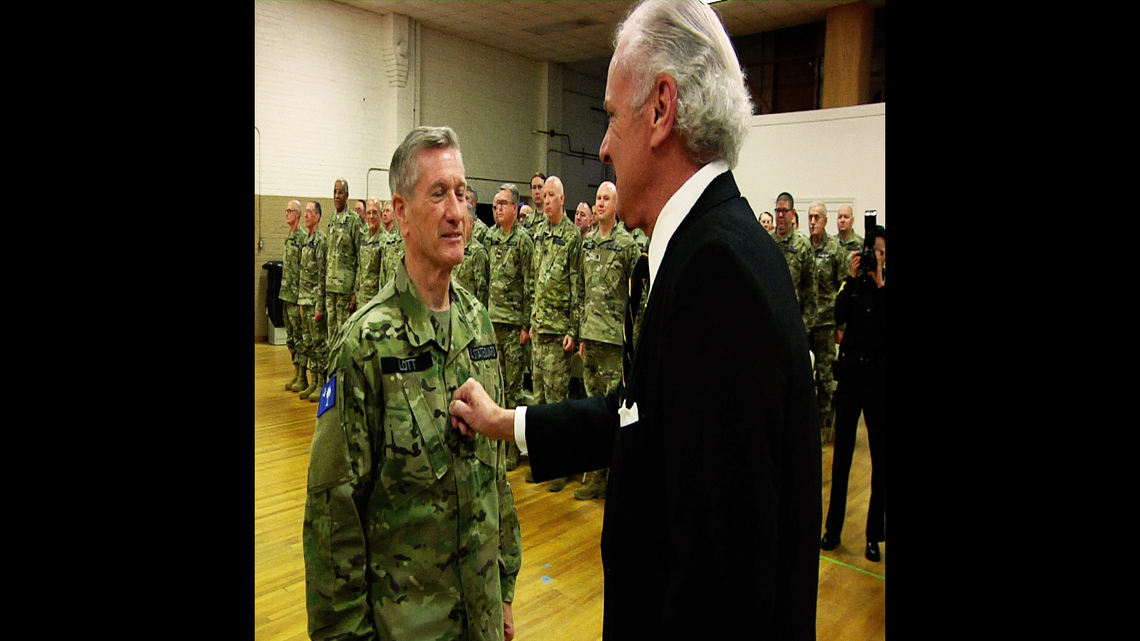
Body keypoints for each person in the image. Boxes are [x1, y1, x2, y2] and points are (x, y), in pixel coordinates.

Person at [448, 2, 820, 638]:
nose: (601, 146)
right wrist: (509, 423)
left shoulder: (716, 274)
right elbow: (640, 414)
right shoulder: (713, 248)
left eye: (612, 117)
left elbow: (720, 582)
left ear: (660, 110)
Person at [303, 126, 522, 641]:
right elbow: (333, 519)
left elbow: (496, 478)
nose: (457, 211)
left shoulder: (479, 327)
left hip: (482, 618)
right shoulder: (365, 346)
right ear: (400, 212)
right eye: (438, 193)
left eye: (462, 193)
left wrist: (504, 585)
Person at [821, 225, 886, 563]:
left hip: (877, 380)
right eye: (873, 253)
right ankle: (833, 529)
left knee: (879, 462)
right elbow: (838, 315)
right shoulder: (852, 286)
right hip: (850, 379)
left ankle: (874, 535)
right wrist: (851, 278)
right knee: (841, 457)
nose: (876, 259)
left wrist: (879, 284)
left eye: (882, 253)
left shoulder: (882, 288)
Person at [574, 180, 638, 501]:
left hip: (615, 340)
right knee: (593, 407)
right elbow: (582, 290)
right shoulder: (586, 244)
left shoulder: (627, 245)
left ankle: (616, 477)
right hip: (591, 336)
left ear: (616, 204)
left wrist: (632, 342)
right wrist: (580, 332)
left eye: (606, 198)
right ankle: (597, 475)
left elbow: (636, 297)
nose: (599, 203)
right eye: (597, 198)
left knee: (614, 410)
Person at [524, 175, 582, 492]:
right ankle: (543, 463)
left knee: (558, 404)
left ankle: (560, 466)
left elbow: (577, 286)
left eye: (551, 196)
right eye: (543, 196)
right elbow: (535, 280)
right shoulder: (539, 234)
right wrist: (532, 320)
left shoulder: (572, 237)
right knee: (540, 401)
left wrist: (573, 329)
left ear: (562, 199)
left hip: (560, 331)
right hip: (540, 327)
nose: (545, 200)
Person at [485, 183, 535, 472]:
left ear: (515, 208)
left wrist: (526, 324)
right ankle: (496, 443)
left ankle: (514, 448)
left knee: (513, 389)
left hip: (514, 324)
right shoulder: (490, 238)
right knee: (494, 386)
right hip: (493, 322)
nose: (498, 209)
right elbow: (485, 278)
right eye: (495, 205)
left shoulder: (523, 241)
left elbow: (530, 284)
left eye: (503, 204)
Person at [807, 202, 849, 445]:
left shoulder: (834, 249)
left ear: (825, 221)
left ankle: (824, 425)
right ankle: (808, 424)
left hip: (826, 322)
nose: (813, 221)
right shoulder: (803, 247)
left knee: (824, 377)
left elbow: (844, 286)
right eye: (810, 217)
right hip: (806, 322)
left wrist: (841, 326)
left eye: (817, 218)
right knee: (805, 376)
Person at [325, 179, 363, 346]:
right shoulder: (332, 220)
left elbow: (360, 257)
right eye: (335, 192)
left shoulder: (354, 221)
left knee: (344, 333)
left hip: (345, 289)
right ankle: (332, 370)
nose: (337, 196)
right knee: (330, 333)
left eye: (340, 192)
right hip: (330, 287)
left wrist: (355, 290)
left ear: (347, 196)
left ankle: (343, 370)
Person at [773, 192, 817, 332]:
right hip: (772, 320)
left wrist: (804, 328)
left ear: (792, 213)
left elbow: (811, 291)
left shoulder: (803, 245)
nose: (780, 215)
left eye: (784, 211)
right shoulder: (766, 241)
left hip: (795, 322)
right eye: (778, 210)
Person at [297, 200, 328, 402]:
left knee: (319, 344)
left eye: (309, 212)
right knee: (308, 342)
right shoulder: (306, 239)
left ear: (317, 216)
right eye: (305, 212)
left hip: (315, 300)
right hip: (305, 299)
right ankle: (313, 380)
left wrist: (319, 304)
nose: (306, 215)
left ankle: (322, 384)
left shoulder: (320, 241)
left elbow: (321, 275)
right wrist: (301, 300)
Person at [280, 200, 309, 392]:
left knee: (300, 337)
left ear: (297, 215)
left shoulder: (302, 238)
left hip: (297, 296)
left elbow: (304, 270)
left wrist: (301, 298)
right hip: (286, 294)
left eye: (290, 211)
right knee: (290, 337)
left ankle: (303, 376)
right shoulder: (288, 238)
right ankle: (295, 371)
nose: (286, 214)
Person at [351, 197, 386, 311]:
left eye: (374, 213)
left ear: (380, 214)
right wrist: (355, 293)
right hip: (361, 301)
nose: (371, 216)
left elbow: (384, 277)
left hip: (375, 302)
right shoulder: (364, 239)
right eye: (369, 213)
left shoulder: (386, 241)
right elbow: (360, 268)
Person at [455, 201, 491, 308]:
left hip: (470, 311)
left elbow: (482, 292)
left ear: (471, 224)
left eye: (462, 221)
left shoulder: (478, 252)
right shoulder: (453, 248)